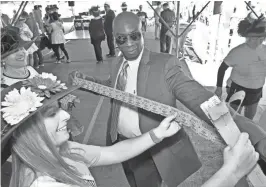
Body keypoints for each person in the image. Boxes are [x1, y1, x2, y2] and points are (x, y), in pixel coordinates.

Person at [69, 12, 266, 187]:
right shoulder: (117, 62)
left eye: (134, 36)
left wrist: (253, 133)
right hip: (118, 142)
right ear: (113, 38)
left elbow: (202, 100)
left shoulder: (165, 65)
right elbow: (111, 86)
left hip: (151, 150)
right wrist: (86, 81)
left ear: (143, 30)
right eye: (121, 39)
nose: (128, 43)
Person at [2, 73, 182, 186]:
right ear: (25, 131)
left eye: (60, 108)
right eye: (51, 114)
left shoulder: (62, 150)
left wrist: (157, 134)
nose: (65, 115)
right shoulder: (45, 183)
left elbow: (110, 154)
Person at [215, 13, 266, 120]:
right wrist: (219, 87)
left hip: (256, 90)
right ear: (248, 37)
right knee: (233, 117)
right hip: (237, 88)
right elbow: (222, 68)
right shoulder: (237, 52)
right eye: (254, 38)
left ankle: (244, 134)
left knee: (249, 118)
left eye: (261, 38)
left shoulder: (265, 50)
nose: (258, 41)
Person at [1, 26, 38, 90]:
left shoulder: (31, 70)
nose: (22, 53)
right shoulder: (3, 85)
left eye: (21, 48)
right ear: (2, 58)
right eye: (14, 51)